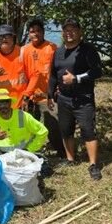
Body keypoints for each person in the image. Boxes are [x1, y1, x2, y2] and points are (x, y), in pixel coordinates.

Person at [48, 18, 103, 180]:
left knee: (88, 130)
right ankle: (71, 159)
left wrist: (77, 78)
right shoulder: (57, 52)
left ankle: (93, 164)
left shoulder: (87, 50)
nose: (69, 32)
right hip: (63, 98)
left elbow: (97, 72)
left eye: (73, 29)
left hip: (83, 98)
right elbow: (52, 75)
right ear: (62, 33)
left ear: (79, 32)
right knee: (66, 129)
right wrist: (50, 94)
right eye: (66, 30)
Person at [22, 18, 65, 158]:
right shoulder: (24, 50)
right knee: (30, 126)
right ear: (28, 34)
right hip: (30, 95)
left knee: (53, 124)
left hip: (49, 95)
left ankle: (61, 151)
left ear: (43, 32)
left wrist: (58, 88)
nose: (35, 34)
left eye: (38, 31)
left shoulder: (52, 48)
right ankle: (31, 152)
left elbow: (60, 69)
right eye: (31, 31)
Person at [0, 88, 48, 156]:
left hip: (22, 153)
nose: (2, 106)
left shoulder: (23, 115)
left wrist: (29, 150)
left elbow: (42, 131)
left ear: (10, 103)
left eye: (5, 102)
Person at [0, 24, 31, 109]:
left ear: (13, 38)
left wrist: (27, 96)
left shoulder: (24, 53)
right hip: (1, 106)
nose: (4, 39)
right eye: (0, 37)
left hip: (21, 104)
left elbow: (34, 76)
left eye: (7, 36)